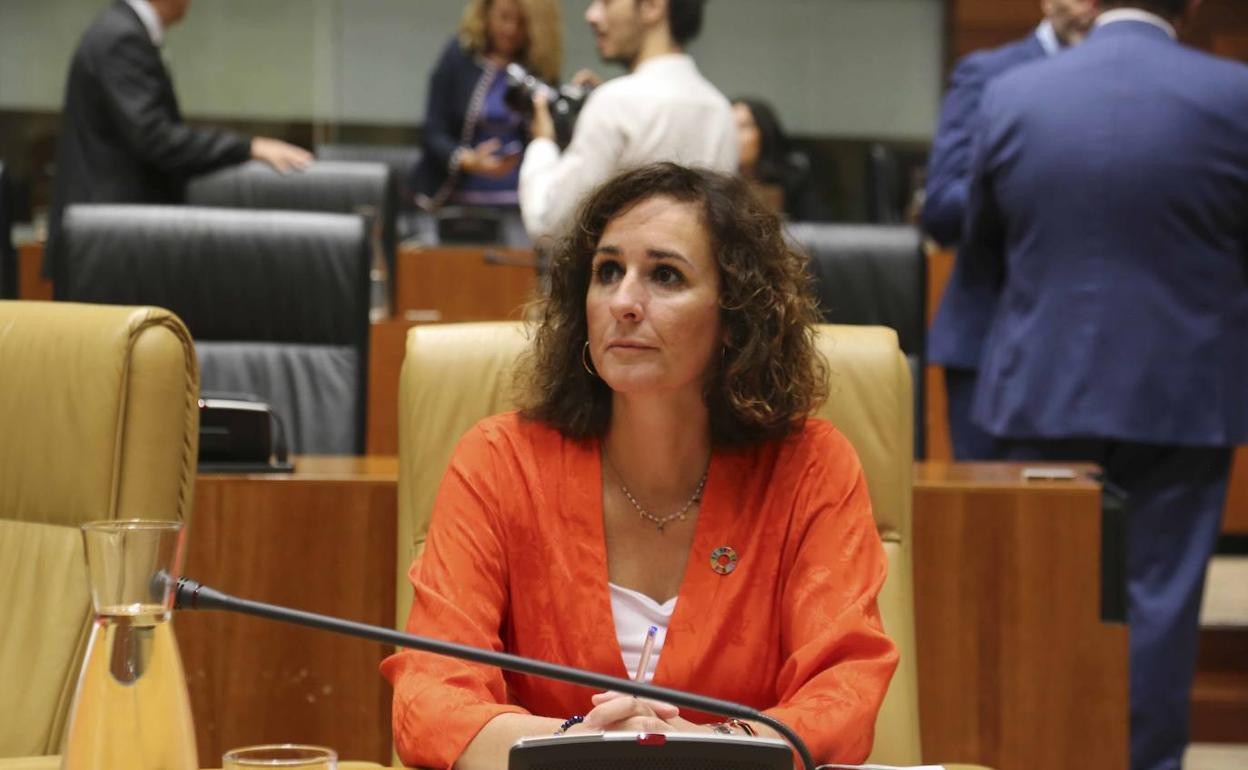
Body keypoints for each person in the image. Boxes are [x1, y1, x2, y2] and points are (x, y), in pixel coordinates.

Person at [382, 163, 898, 769]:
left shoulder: (810, 466)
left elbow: (843, 690)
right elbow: (431, 692)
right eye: (607, 272)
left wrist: (697, 755)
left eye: (665, 275)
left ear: (735, 315)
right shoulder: (499, 462)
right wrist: (581, 749)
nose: (624, 302)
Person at [959, 2, 1248, 768]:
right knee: (1158, 609)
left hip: (1039, 387)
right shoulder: (1235, 97)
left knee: (1042, 605)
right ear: (1188, 6)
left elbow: (981, 251)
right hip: (1182, 393)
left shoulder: (1017, 94)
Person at [922, 0, 1097, 459]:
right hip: (994, 340)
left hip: (1103, 348)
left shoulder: (1139, 83)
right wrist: (1032, 192)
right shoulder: (988, 74)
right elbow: (940, 209)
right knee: (995, 524)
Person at [46, 0, 310, 281]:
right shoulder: (122, 37)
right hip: (106, 239)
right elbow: (155, 138)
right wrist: (249, 148)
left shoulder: (121, 30)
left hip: (108, 234)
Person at [517, 0, 737, 240]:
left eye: (606, 2)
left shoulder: (615, 103)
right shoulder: (720, 110)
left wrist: (542, 143)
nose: (591, 15)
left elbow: (548, 224)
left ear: (652, 6)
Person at [412, 0, 563, 209]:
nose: (511, 29)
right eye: (504, 17)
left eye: (522, 22)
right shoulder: (458, 56)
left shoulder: (539, 68)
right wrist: (467, 160)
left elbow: (552, 138)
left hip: (521, 202)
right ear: (486, 13)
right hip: (456, 200)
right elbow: (433, 132)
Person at [732, 97, 832, 222]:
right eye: (729, 126)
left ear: (764, 132)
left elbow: (817, 228)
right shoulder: (716, 182)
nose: (733, 134)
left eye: (744, 126)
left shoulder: (794, 179)